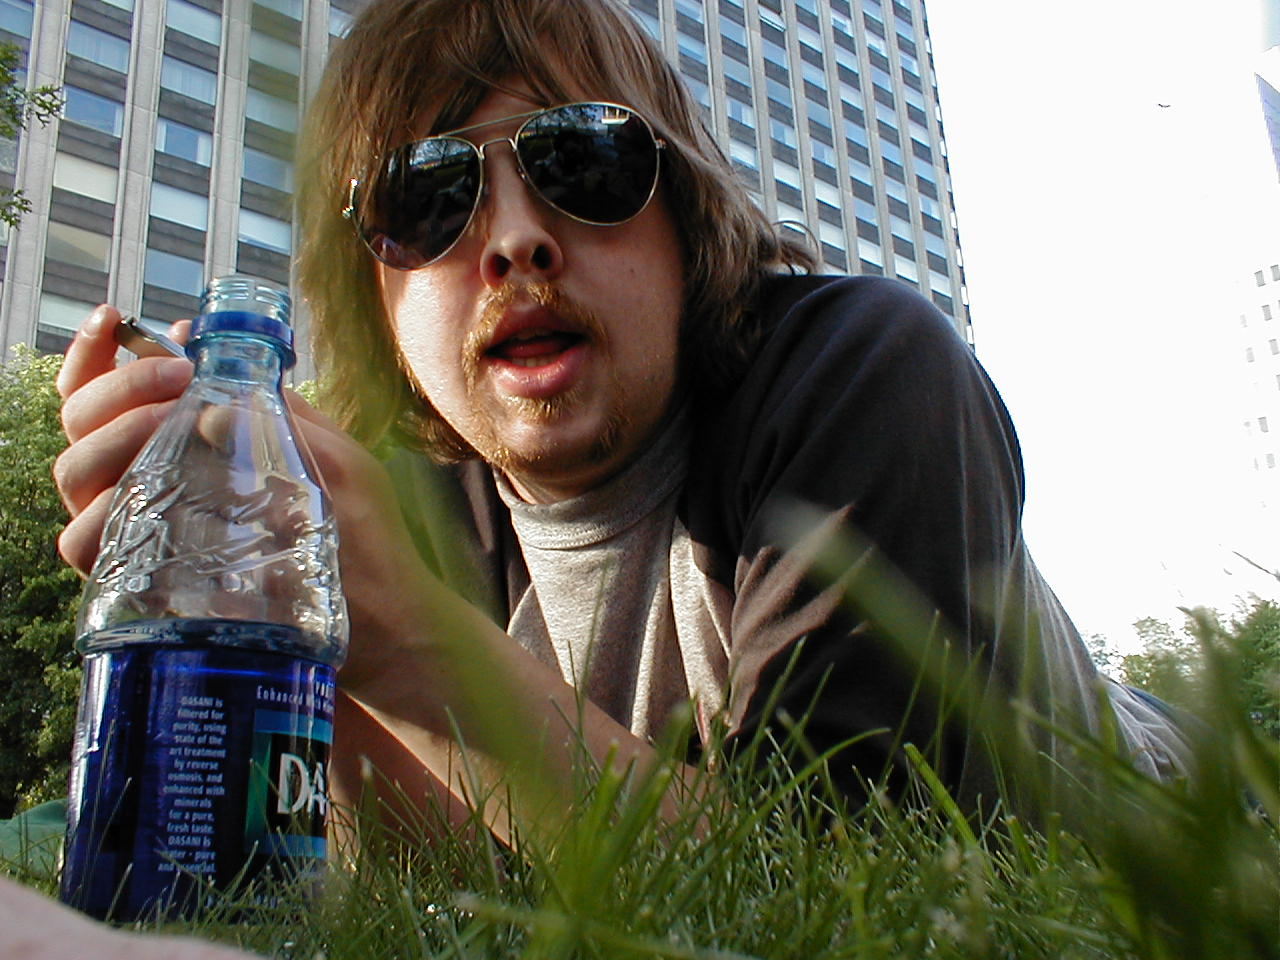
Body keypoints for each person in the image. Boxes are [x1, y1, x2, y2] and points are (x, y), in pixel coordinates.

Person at [53, 0, 1188, 847]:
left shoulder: (863, 368)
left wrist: (399, 624)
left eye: (583, 162)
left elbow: (852, 883)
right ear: (375, 297)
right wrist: (285, 626)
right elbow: (436, 874)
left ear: (686, 218)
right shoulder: (415, 502)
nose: (514, 241)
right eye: (427, 199)